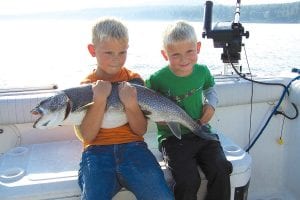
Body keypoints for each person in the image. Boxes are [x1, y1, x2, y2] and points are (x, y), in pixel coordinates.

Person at [75, 18, 174, 200]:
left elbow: (140, 130)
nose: (116, 59)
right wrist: (98, 100)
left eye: (122, 52)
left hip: (134, 148)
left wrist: (130, 104)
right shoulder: (87, 86)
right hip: (96, 153)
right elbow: (87, 136)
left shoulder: (134, 81)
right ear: (92, 50)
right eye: (109, 52)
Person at [145, 21, 233, 200]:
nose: (184, 59)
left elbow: (210, 89)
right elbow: (144, 103)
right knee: (188, 180)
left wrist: (211, 104)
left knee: (222, 169)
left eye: (189, 52)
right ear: (165, 54)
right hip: (172, 138)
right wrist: (157, 119)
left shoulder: (202, 71)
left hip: (201, 130)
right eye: (175, 54)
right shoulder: (157, 79)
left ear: (198, 47)